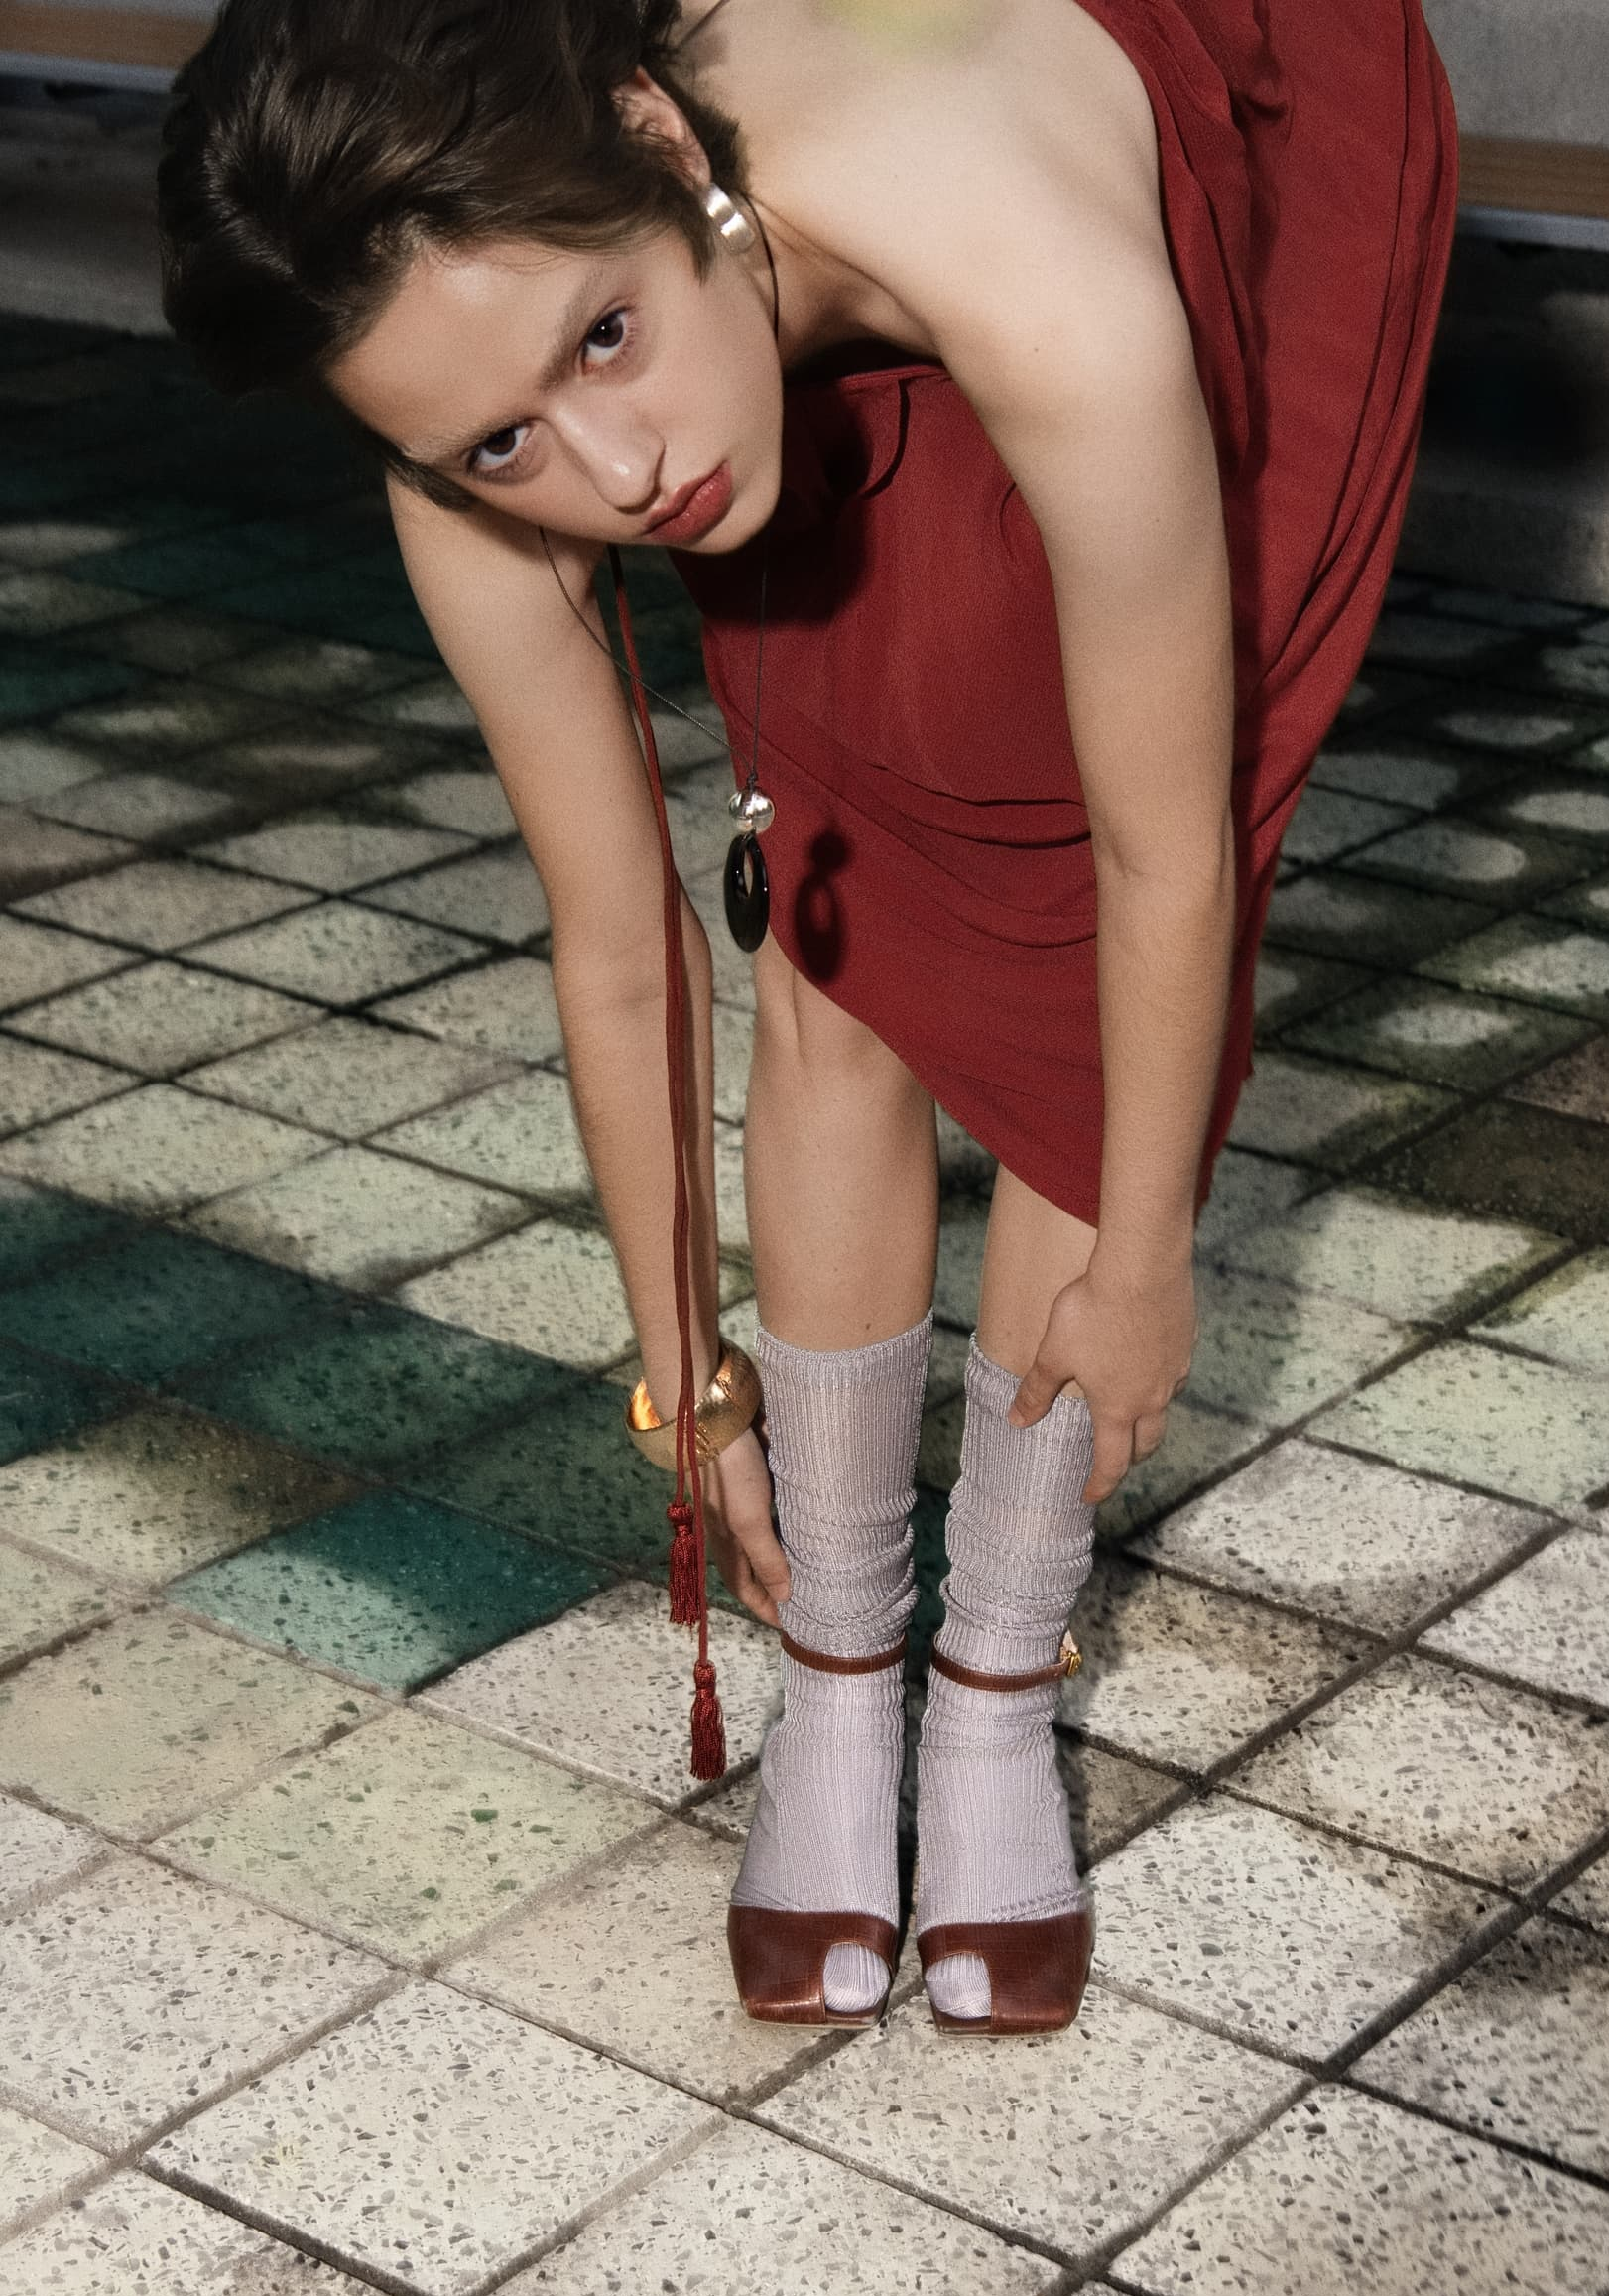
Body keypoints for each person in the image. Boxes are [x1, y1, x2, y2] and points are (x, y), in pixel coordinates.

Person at [158, 0, 1455, 2035]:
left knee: (1064, 918)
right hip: (818, 240)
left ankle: (1002, 1684)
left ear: (660, 147)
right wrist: (682, 1370)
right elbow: (618, 930)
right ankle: (841, 1675)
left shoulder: (1046, 278)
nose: (622, 468)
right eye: (503, 441)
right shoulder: (462, 437)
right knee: (826, 908)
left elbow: (1162, 856)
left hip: (1196, 105)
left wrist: (1149, 1253)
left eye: (601, 337)